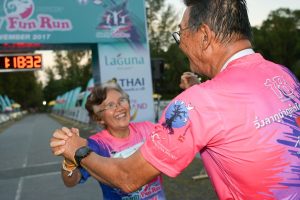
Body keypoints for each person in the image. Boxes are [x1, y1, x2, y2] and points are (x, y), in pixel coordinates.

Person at [50, 0, 300, 199]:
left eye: (180, 34)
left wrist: (78, 151)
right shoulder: (282, 73)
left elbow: (128, 178)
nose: (180, 45)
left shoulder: (195, 103)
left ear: (204, 35)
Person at [50, 80, 166, 200]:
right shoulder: (96, 145)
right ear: (99, 118)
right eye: (110, 105)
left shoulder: (148, 129)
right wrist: (69, 161)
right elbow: (71, 181)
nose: (119, 107)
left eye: (122, 100)